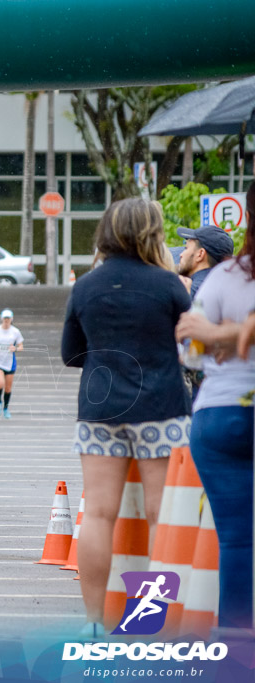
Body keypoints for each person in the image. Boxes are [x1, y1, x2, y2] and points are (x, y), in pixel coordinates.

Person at [61, 198, 192, 638]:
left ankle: (94, 621)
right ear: (151, 232)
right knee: (161, 516)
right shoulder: (169, 285)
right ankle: (151, 621)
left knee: (98, 514)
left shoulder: (86, 287)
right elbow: (190, 349)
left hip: (99, 410)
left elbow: (69, 354)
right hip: (161, 408)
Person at [173, 184, 255, 630]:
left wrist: (221, 335)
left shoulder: (225, 279)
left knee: (238, 542)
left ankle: (237, 645)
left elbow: (191, 351)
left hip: (221, 412)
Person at [176, 225, 234, 299]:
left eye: (186, 248)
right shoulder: (224, 288)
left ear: (200, 254)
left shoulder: (191, 291)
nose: (181, 254)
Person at [0, 309, 24, 420]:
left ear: (11, 319)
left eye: (8, 318)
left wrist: (16, 348)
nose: (6, 320)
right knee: (0, 384)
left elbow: (21, 346)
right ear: (2, 319)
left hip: (10, 362)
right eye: (5, 318)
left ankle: (6, 408)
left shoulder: (15, 332)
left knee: (8, 388)